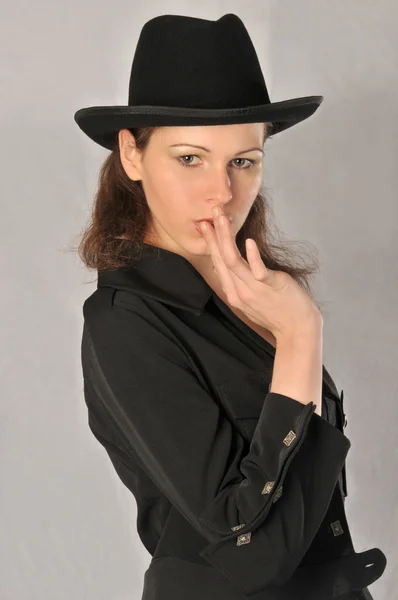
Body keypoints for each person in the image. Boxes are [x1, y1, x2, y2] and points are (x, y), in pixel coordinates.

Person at [74, 13, 387, 599]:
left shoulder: (255, 298)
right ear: (132, 157)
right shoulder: (125, 325)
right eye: (190, 158)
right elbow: (253, 555)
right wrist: (300, 340)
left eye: (243, 161)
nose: (222, 191)